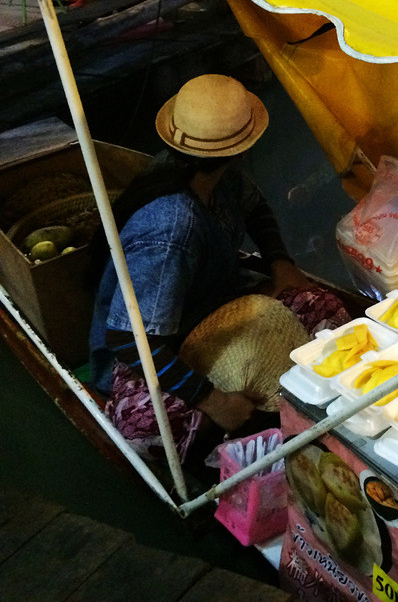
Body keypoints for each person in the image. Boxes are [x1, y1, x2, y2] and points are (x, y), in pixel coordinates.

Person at [89, 74, 348, 463]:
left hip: (215, 311)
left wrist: (280, 264)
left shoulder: (215, 176)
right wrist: (211, 400)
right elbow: (127, 339)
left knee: (323, 308)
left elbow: (256, 207)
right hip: (154, 349)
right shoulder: (172, 226)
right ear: (242, 149)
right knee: (148, 432)